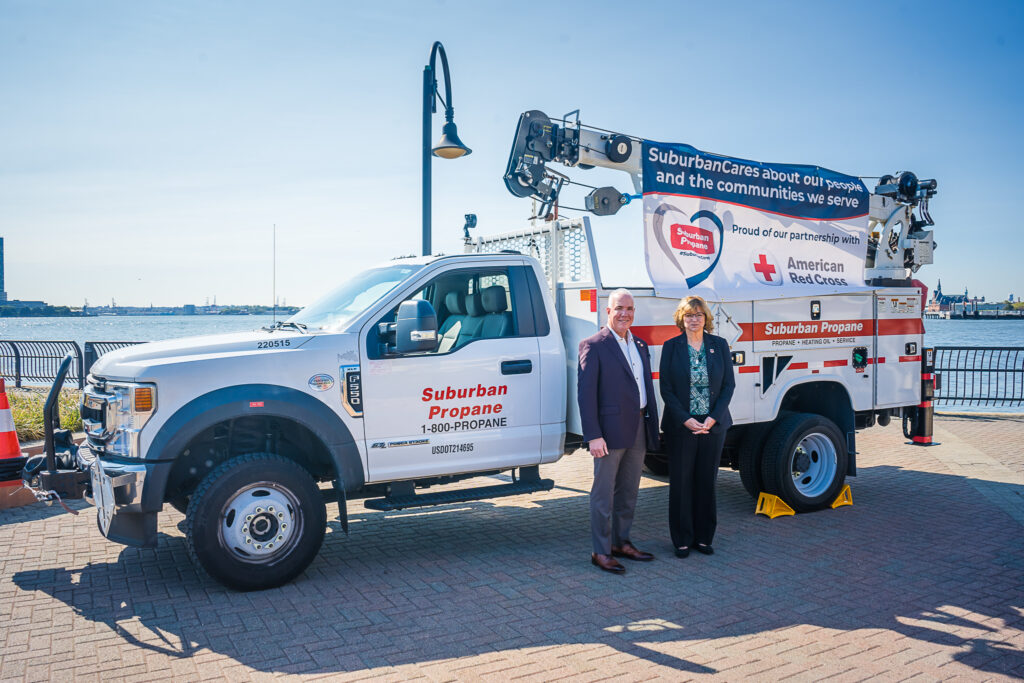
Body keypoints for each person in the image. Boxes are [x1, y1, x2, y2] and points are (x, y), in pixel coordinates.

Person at [577, 288, 660, 574]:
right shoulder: (593, 345)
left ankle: (621, 543)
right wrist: (593, 435)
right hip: (608, 432)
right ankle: (600, 551)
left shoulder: (639, 343)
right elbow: (586, 395)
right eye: (619, 308)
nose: (625, 313)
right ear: (607, 311)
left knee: (629, 491)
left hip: (638, 425)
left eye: (630, 308)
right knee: (603, 494)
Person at [659, 296, 735, 558]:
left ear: (706, 319)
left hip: (712, 426)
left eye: (699, 315)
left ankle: (703, 538)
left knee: (706, 482)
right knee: (681, 484)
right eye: (689, 315)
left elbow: (728, 386)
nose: (694, 319)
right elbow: (666, 388)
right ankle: (681, 539)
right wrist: (685, 419)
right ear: (681, 318)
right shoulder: (671, 347)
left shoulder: (719, 345)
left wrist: (713, 418)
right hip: (682, 427)